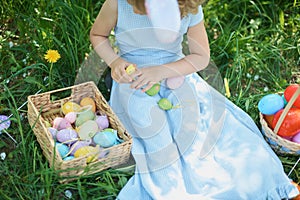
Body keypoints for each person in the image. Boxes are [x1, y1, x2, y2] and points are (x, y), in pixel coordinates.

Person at [90, 0, 299, 199]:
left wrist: (160, 71)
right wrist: (115, 61)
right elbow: (98, 34)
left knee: (204, 130)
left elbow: (200, 56)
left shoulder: (187, 7)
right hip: (133, 80)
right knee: (156, 138)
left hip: (175, 73)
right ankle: (173, 188)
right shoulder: (119, 4)